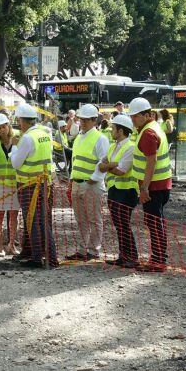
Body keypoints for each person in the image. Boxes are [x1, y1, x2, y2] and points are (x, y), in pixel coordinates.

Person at [10, 102, 58, 269]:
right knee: (44, 221)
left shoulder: (27, 138)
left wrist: (13, 148)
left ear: (23, 121)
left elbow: (16, 163)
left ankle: (38, 257)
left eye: (19, 121)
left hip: (29, 186)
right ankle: (50, 257)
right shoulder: (44, 133)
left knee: (33, 221)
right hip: (45, 184)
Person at [128, 97, 172, 272]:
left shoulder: (148, 133)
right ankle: (159, 258)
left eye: (135, 116)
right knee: (156, 222)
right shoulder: (153, 128)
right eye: (131, 116)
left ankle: (158, 261)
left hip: (154, 187)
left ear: (147, 115)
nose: (132, 119)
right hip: (160, 185)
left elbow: (151, 162)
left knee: (154, 223)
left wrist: (144, 188)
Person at [68, 104, 110, 261]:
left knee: (94, 219)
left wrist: (94, 178)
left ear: (94, 120)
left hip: (92, 185)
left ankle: (93, 250)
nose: (83, 122)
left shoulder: (100, 138)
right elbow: (75, 160)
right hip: (78, 184)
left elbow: (104, 161)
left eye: (86, 120)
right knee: (81, 219)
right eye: (81, 119)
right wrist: (71, 180)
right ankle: (82, 249)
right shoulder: (79, 137)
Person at [98, 114, 139, 268]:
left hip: (126, 192)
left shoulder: (130, 147)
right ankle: (124, 256)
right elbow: (105, 162)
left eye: (113, 128)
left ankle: (132, 257)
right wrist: (111, 165)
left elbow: (121, 170)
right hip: (115, 190)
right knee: (119, 225)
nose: (110, 131)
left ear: (121, 131)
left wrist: (108, 166)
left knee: (123, 224)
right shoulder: (113, 146)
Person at [0, 113, 20, 257]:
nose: (1, 130)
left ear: (9, 125)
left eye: (3, 126)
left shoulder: (18, 138)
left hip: (15, 184)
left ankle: (12, 244)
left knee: (14, 215)